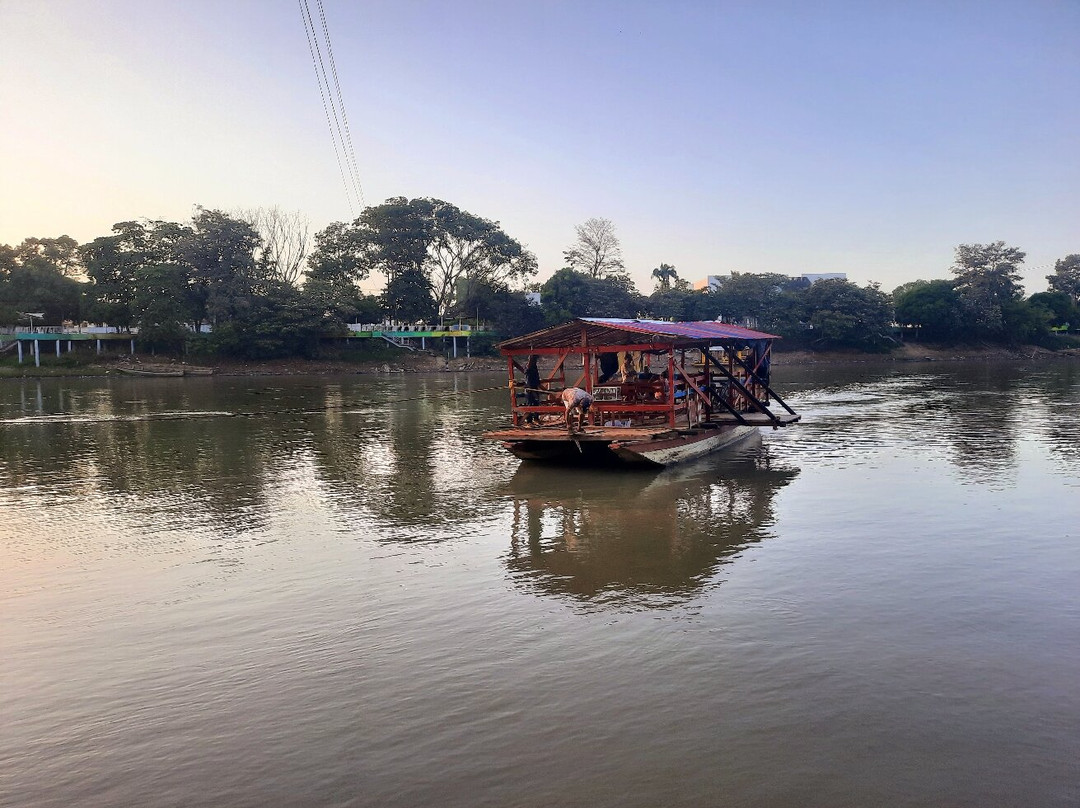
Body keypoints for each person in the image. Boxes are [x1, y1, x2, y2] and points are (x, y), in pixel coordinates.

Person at [524, 355, 541, 425]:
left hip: (535, 387)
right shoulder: (528, 367)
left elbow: (536, 377)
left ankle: (536, 419)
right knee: (530, 405)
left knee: (536, 403)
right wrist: (531, 390)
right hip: (529, 389)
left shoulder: (534, 367)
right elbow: (527, 376)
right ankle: (529, 421)